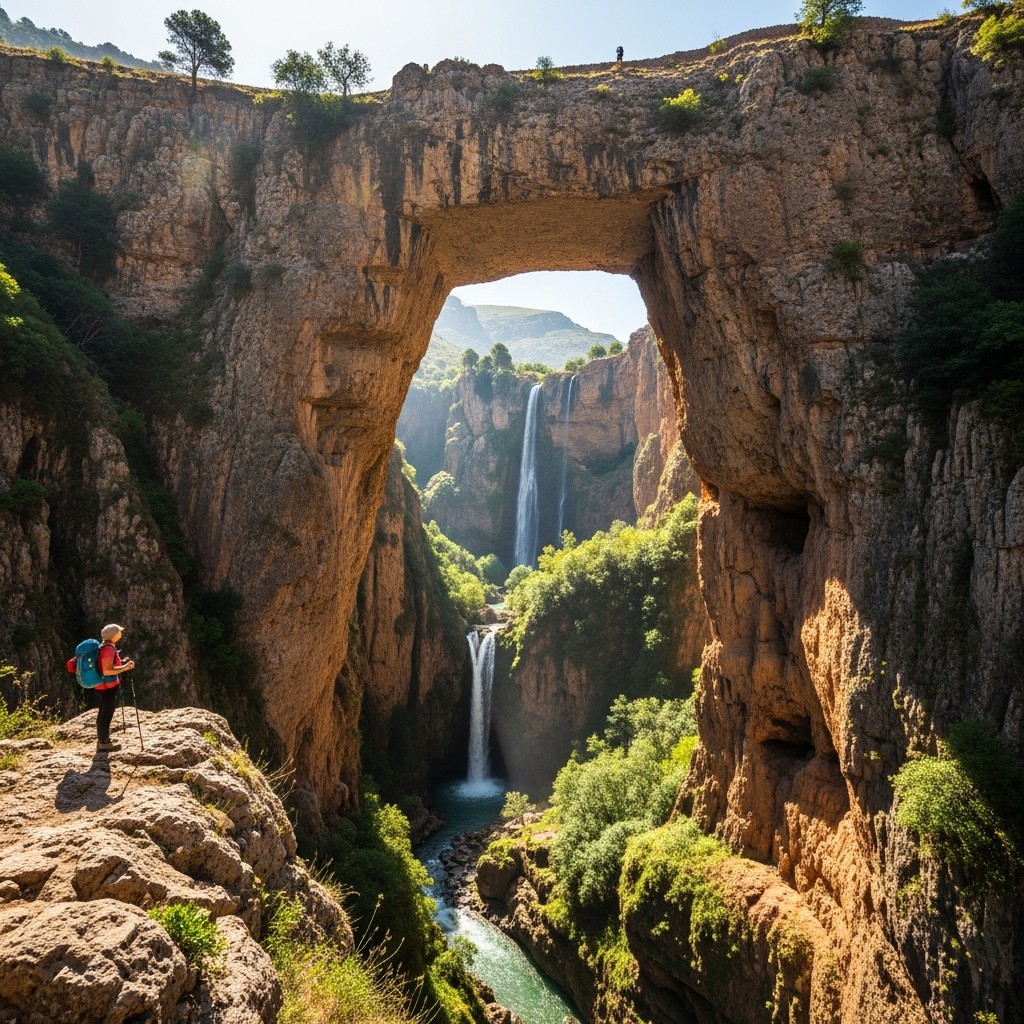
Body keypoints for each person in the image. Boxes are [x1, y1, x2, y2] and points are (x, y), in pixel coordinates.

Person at [95, 623, 135, 752]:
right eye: (119, 632)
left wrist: (122, 662)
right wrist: (125, 667)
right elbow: (107, 670)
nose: (120, 633)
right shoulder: (108, 649)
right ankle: (103, 742)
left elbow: (108, 665)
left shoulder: (105, 647)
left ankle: (103, 739)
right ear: (114, 635)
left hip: (103, 685)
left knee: (104, 711)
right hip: (107, 686)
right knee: (106, 712)